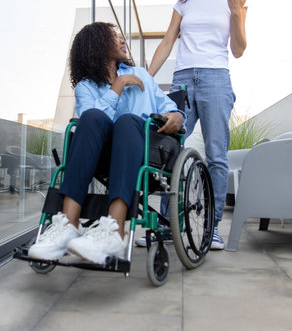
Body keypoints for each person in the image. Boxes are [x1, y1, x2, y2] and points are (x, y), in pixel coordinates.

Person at [28, 21, 185, 264]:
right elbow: (94, 124)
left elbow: (169, 109)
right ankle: (68, 224)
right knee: (90, 117)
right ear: (98, 44)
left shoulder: (142, 75)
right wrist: (118, 87)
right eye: (115, 37)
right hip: (101, 156)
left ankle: (115, 230)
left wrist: (177, 115)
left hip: (144, 151)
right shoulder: (85, 88)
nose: (122, 41)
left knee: (127, 121)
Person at [136, 0, 247, 250]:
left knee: (216, 154)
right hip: (183, 79)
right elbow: (168, 41)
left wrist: (237, 12)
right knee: (167, 149)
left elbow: (238, 49)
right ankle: (170, 223)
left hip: (215, 79)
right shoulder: (184, 2)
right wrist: (145, 76)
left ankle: (210, 228)